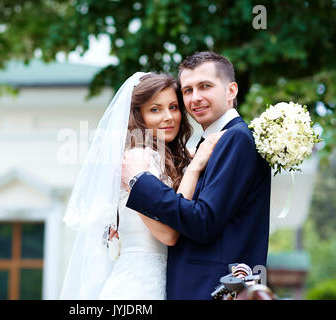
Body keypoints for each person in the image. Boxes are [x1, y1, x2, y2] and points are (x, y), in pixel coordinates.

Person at [60, 72, 225, 299]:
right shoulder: (138, 160)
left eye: (174, 107)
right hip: (135, 288)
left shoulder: (172, 159)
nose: (168, 117)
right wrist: (195, 166)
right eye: (155, 109)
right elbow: (168, 234)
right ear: (139, 116)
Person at [122, 51, 272, 300]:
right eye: (187, 90)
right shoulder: (210, 144)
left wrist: (139, 181)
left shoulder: (235, 138)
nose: (195, 98)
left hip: (210, 288)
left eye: (205, 86)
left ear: (231, 91)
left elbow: (204, 221)